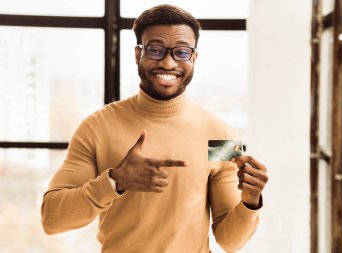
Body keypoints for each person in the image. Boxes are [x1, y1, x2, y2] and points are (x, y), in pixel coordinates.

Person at [41, 4, 268, 253]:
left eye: (181, 52)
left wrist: (250, 201)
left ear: (194, 58)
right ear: (138, 54)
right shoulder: (97, 127)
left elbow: (229, 241)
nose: (168, 63)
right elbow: (51, 220)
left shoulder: (219, 135)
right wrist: (115, 181)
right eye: (155, 50)